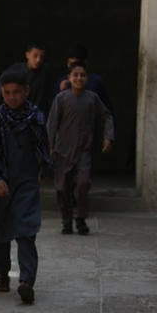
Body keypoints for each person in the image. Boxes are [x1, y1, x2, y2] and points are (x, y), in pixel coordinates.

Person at [0, 68, 51, 304]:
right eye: (7, 93)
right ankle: (2, 273)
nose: (12, 98)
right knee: (1, 234)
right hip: (1, 186)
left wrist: (44, 169)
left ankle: (26, 281)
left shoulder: (36, 118)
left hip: (26, 184)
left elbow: (44, 146)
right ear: (1, 92)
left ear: (26, 91)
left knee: (26, 231)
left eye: (17, 93)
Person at [47, 61, 114, 235]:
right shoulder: (61, 99)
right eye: (75, 75)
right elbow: (52, 123)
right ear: (68, 77)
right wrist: (50, 146)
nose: (78, 78)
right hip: (63, 152)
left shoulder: (92, 98)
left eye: (82, 75)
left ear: (87, 78)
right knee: (62, 187)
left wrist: (108, 136)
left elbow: (106, 116)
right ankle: (66, 219)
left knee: (83, 184)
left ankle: (81, 218)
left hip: (83, 151)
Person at [0, 41, 54, 116]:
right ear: (27, 55)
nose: (38, 60)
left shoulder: (45, 72)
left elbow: (49, 96)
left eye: (41, 57)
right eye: (35, 56)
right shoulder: (16, 70)